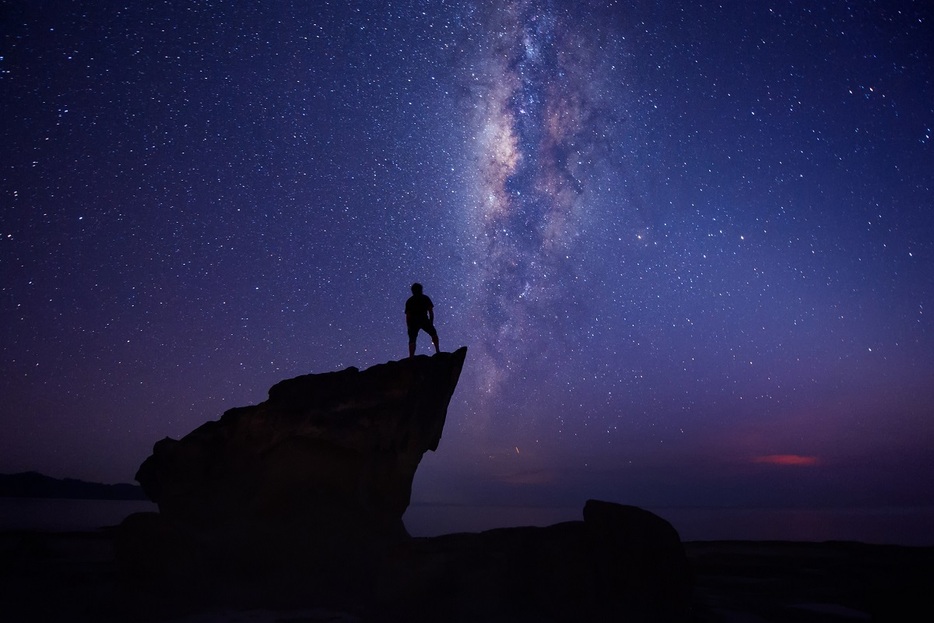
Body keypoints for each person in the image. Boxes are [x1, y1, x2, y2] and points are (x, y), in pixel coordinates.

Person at [405, 282, 439, 357]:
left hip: (413, 322)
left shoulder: (409, 301)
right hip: (424, 320)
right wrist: (431, 322)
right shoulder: (425, 298)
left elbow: (408, 315)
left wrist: (408, 326)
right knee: (433, 333)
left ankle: (411, 356)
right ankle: (437, 351)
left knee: (412, 339)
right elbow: (430, 311)